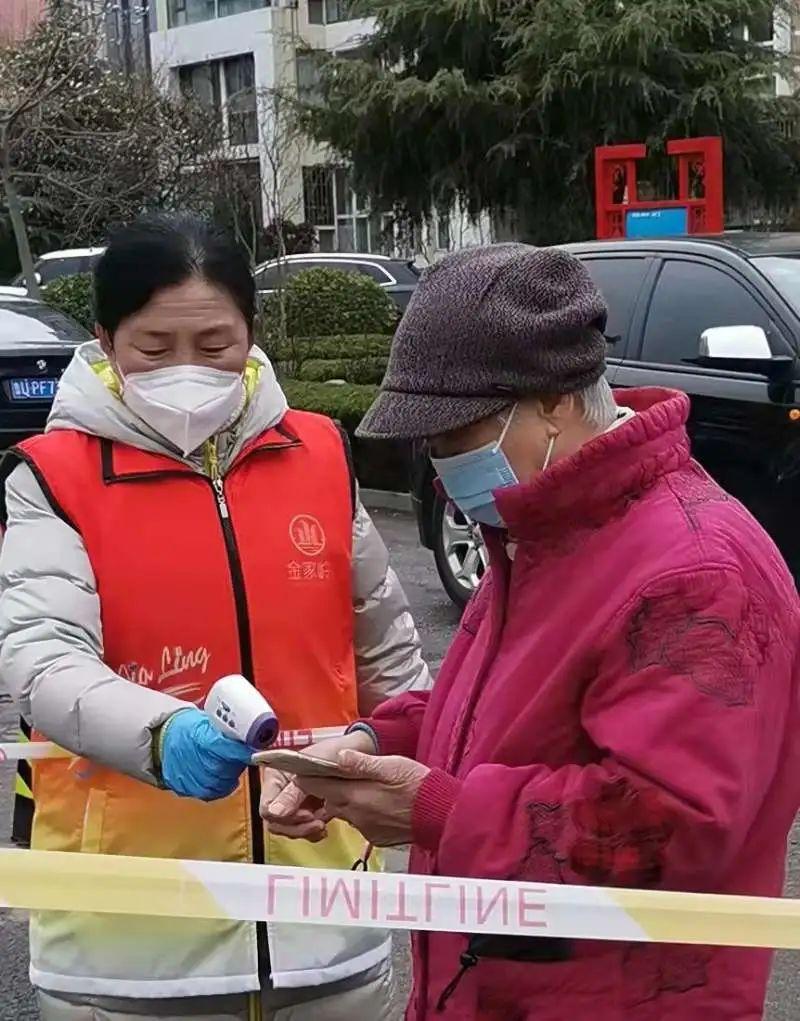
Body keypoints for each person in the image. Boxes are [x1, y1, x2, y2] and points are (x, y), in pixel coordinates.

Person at [262, 244, 800, 1020]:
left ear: (554, 400)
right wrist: (369, 747)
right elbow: (499, 716)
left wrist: (437, 810)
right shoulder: (545, 532)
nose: (441, 461)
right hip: (497, 982)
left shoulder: (692, 571)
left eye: (457, 433)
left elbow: (669, 827)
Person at [0, 213, 430, 1021]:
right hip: (129, 945)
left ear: (252, 333)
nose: (188, 368)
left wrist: (402, 762)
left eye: (217, 343)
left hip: (327, 920)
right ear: (105, 340)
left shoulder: (321, 455)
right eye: (154, 349)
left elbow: (392, 659)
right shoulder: (52, 478)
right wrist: (161, 734)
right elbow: (42, 658)